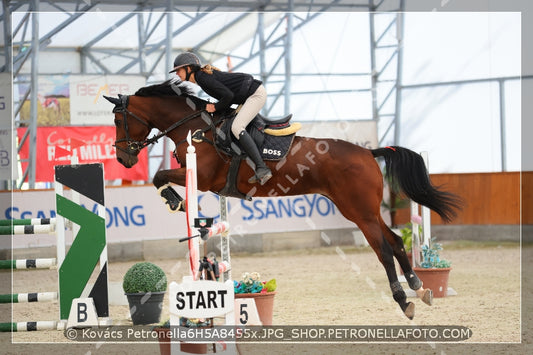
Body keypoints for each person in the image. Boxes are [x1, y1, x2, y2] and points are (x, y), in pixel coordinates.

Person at [169, 52, 272, 185]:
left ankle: (262, 168)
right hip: (248, 95)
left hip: (255, 95)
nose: (177, 73)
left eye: (178, 70)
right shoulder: (202, 77)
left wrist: (215, 107)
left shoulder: (202, 77)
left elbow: (228, 96)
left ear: (189, 68)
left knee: (236, 127)